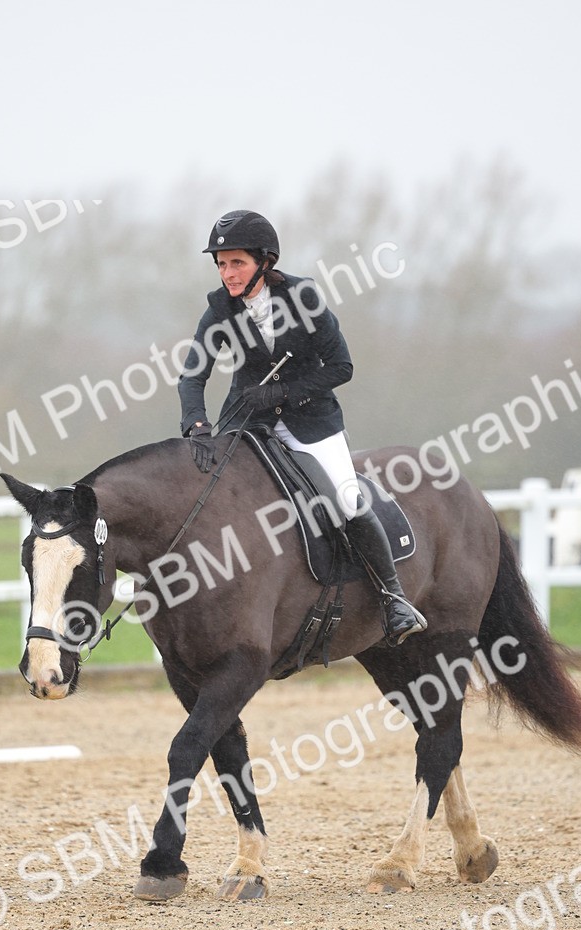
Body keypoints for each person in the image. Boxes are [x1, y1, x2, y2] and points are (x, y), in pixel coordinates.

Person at [178, 209, 426, 647]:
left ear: (265, 261)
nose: (227, 273)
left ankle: (393, 599)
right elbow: (192, 376)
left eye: (237, 262)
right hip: (247, 423)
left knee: (347, 501)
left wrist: (280, 394)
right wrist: (196, 425)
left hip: (313, 422)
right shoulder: (218, 309)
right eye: (221, 264)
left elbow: (341, 367)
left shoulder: (303, 298)